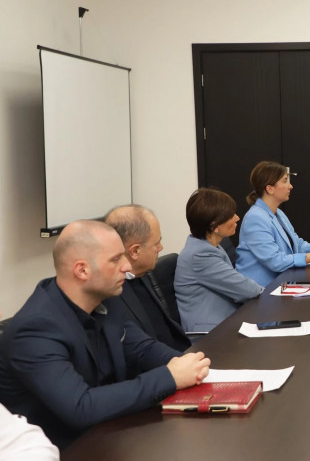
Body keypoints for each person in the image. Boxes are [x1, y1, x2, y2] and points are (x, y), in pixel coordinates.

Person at [0, 220, 210, 449]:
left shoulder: (105, 298)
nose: (127, 266)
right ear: (82, 270)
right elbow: (81, 407)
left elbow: (143, 349)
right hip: (65, 450)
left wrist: (191, 366)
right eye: (115, 259)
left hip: (112, 435)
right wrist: (170, 377)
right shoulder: (34, 329)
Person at [175, 188, 264, 333]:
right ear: (214, 226)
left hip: (226, 322)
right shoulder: (201, 255)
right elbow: (247, 290)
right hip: (211, 333)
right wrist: (271, 295)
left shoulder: (209, 246)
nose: (237, 218)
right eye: (231, 216)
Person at [103, 204, 190, 352]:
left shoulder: (143, 272)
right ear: (135, 251)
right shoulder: (109, 293)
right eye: (156, 243)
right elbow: (139, 350)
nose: (161, 248)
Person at [236, 161, 310, 286]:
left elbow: (296, 243)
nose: (290, 186)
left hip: (283, 281)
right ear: (270, 189)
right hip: (263, 289)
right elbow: (275, 261)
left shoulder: (278, 213)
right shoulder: (255, 218)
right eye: (285, 181)